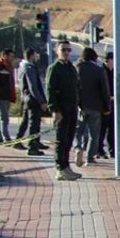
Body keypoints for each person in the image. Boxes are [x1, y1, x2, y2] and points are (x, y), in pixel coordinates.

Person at [45, 41, 82, 181]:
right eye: (63, 50)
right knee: (61, 140)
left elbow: (77, 87)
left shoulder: (71, 68)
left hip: (72, 108)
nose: (66, 52)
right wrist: (54, 109)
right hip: (61, 109)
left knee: (68, 139)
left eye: (68, 50)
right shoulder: (54, 68)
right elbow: (50, 90)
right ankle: (60, 168)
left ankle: (66, 167)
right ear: (57, 51)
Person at [76, 47, 109, 166]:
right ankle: (90, 157)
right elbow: (105, 90)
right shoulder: (99, 70)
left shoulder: (77, 68)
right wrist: (106, 108)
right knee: (94, 135)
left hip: (80, 106)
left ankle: (78, 148)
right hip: (95, 107)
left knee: (78, 132)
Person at [16, 48, 48, 155]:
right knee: (34, 124)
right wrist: (41, 101)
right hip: (32, 99)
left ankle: (20, 140)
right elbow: (33, 86)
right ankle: (32, 147)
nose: (37, 56)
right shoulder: (29, 68)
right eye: (35, 54)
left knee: (26, 121)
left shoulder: (22, 66)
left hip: (26, 98)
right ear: (31, 56)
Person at [0, 49, 17, 144]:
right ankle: (6, 138)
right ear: (4, 55)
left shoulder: (9, 66)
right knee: (4, 118)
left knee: (2, 118)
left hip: (7, 96)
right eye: (11, 56)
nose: (12, 58)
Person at [99, 51, 116, 158]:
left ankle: (113, 150)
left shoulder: (114, 72)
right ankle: (99, 150)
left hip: (113, 103)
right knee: (102, 128)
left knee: (112, 129)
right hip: (103, 104)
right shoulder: (101, 71)